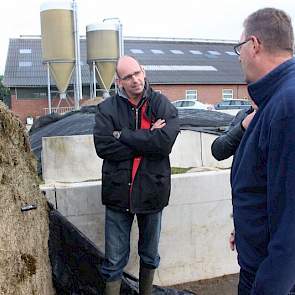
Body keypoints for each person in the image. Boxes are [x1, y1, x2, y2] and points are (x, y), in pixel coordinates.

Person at [93, 55, 180, 295]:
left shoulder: (161, 105)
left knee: (150, 255)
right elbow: (103, 146)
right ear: (119, 82)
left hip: (152, 192)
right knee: (113, 262)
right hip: (118, 194)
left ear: (144, 71)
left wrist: (123, 135)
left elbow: (164, 143)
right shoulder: (107, 108)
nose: (135, 80)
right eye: (128, 77)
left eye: (137, 73)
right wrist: (147, 137)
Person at [231, 7, 295, 295]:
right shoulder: (276, 100)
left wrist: (268, 287)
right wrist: (247, 230)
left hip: (270, 280)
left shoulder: (287, 107)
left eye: (239, 47)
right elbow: (269, 188)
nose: (240, 56)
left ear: (254, 45)